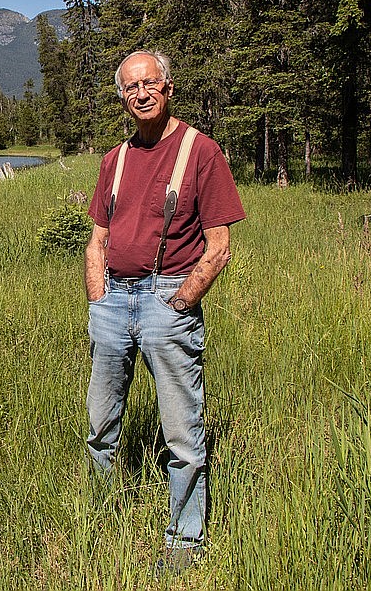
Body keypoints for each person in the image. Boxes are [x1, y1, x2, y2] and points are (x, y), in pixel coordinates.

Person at [84, 50, 245, 575]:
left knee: (181, 430)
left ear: (168, 88)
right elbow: (97, 240)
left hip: (166, 298)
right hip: (113, 302)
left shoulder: (200, 152)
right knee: (101, 421)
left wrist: (180, 301)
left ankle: (185, 539)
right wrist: (98, 298)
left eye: (150, 83)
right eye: (131, 88)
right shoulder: (116, 159)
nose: (141, 93)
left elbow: (218, 245)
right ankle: (101, 511)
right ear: (122, 97)